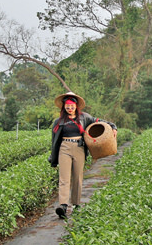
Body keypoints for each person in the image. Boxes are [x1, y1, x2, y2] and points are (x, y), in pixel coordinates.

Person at [48, 91, 117, 219]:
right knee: (64, 177)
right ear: (64, 107)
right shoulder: (59, 121)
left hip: (79, 147)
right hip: (64, 148)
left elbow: (99, 121)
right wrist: (53, 156)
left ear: (76, 106)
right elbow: (54, 140)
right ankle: (63, 205)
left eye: (72, 106)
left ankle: (76, 204)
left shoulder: (85, 117)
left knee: (77, 177)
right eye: (67, 106)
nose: (69, 108)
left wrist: (113, 126)